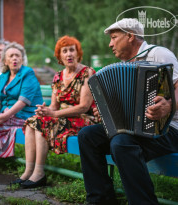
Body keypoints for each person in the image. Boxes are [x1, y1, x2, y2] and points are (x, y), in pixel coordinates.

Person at [78, 18, 178, 205]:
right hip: (136, 130)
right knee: (87, 136)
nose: (110, 44)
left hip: (169, 128)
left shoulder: (159, 54)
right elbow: (120, 106)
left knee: (121, 143)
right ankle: (100, 200)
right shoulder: (126, 64)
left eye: (114, 37)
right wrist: (105, 114)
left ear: (130, 36)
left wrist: (168, 105)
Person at [11, 35, 98, 189]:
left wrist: (53, 115)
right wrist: (45, 111)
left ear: (78, 53)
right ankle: (29, 171)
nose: (69, 54)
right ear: (60, 56)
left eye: (72, 50)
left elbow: (84, 106)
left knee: (42, 124)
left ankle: (39, 173)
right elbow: (54, 105)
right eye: (65, 51)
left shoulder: (87, 73)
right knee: (32, 122)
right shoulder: (58, 76)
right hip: (63, 118)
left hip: (84, 119)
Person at [0, 42, 43, 171]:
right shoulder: (3, 77)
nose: (14, 58)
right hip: (7, 114)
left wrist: (2, 117)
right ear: (5, 60)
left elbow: (22, 102)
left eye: (17, 55)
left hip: (24, 115)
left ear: (22, 59)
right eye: (11, 56)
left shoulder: (28, 74)